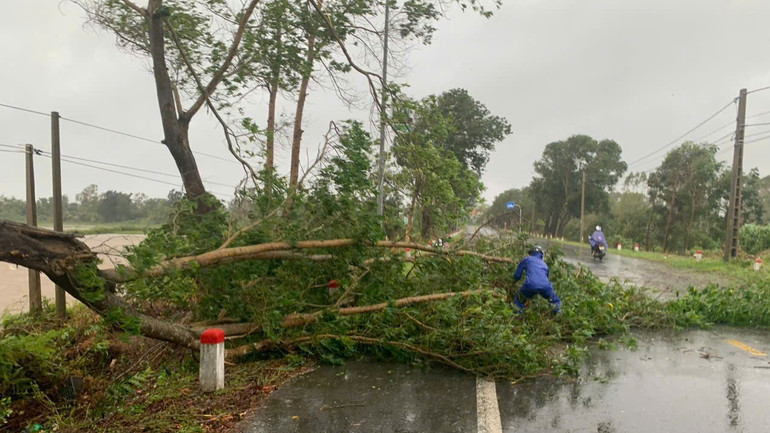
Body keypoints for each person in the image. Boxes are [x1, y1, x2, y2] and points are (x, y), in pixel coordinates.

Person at [512, 245, 561, 314]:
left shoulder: (527, 259)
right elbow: (545, 278)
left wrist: (513, 282)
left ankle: (518, 315)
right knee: (555, 301)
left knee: (519, 299)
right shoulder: (544, 264)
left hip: (531, 285)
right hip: (546, 287)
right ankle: (558, 315)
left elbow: (517, 276)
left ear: (531, 253)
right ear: (541, 255)